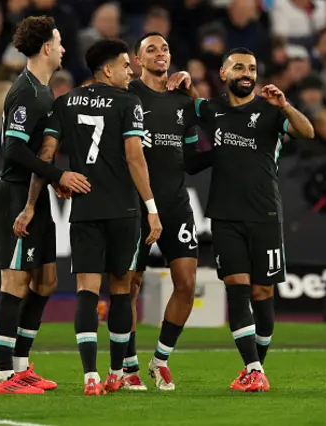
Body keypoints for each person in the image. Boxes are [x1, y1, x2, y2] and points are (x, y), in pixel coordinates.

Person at [14, 39, 162, 396]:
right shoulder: (130, 102)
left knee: (86, 291)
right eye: (127, 65)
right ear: (108, 69)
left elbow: (45, 155)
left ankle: (89, 378)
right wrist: (152, 209)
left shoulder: (65, 102)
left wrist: (37, 199)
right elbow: (134, 157)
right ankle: (117, 373)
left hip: (85, 210)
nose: (131, 71)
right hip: (124, 210)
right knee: (122, 291)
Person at [168, 47, 314, 392]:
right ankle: (252, 367)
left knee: (263, 290)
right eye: (238, 67)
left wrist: (286, 105)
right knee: (236, 286)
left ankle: (255, 368)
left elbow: (307, 132)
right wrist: (187, 84)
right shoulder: (213, 109)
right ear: (223, 73)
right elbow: (193, 100)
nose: (246, 73)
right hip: (225, 215)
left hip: (264, 213)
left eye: (251, 67)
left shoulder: (271, 109)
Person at [0, 15, 91, 395]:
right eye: (60, 42)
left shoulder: (44, 90)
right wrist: (59, 176)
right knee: (14, 281)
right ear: (47, 47)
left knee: (46, 281)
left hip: (36, 195)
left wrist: (51, 179)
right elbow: (14, 150)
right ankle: (4, 378)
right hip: (15, 196)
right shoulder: (27, 92)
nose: (64, 49)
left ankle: (21, 366)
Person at [123, 32, 213, 391]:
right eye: (151, 49)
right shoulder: (128, 95)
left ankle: (159, 361)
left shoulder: (183, 102)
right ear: (137, 59)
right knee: (128, 286)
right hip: (136, 206)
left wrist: (193, 95)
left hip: (176, 205)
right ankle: (127, 365)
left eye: (164, 48)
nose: (160, 54)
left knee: (187, 284)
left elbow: (193, 159)